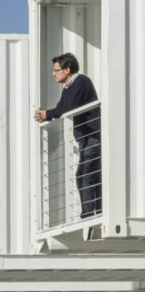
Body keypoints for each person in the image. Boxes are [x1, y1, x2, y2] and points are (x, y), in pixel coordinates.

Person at [34, 52, 101, 219]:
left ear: (67, 70)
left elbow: (67, 108)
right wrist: (46, 114)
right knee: (90, 174)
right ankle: (96, 211)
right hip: (86, 138)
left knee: (85, 174)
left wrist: (46, 114)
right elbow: (61, 108)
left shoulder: (81, 82)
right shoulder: (68, 87)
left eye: (56, 70)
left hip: (93, 136)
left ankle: (90, 214)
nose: (53, 73)